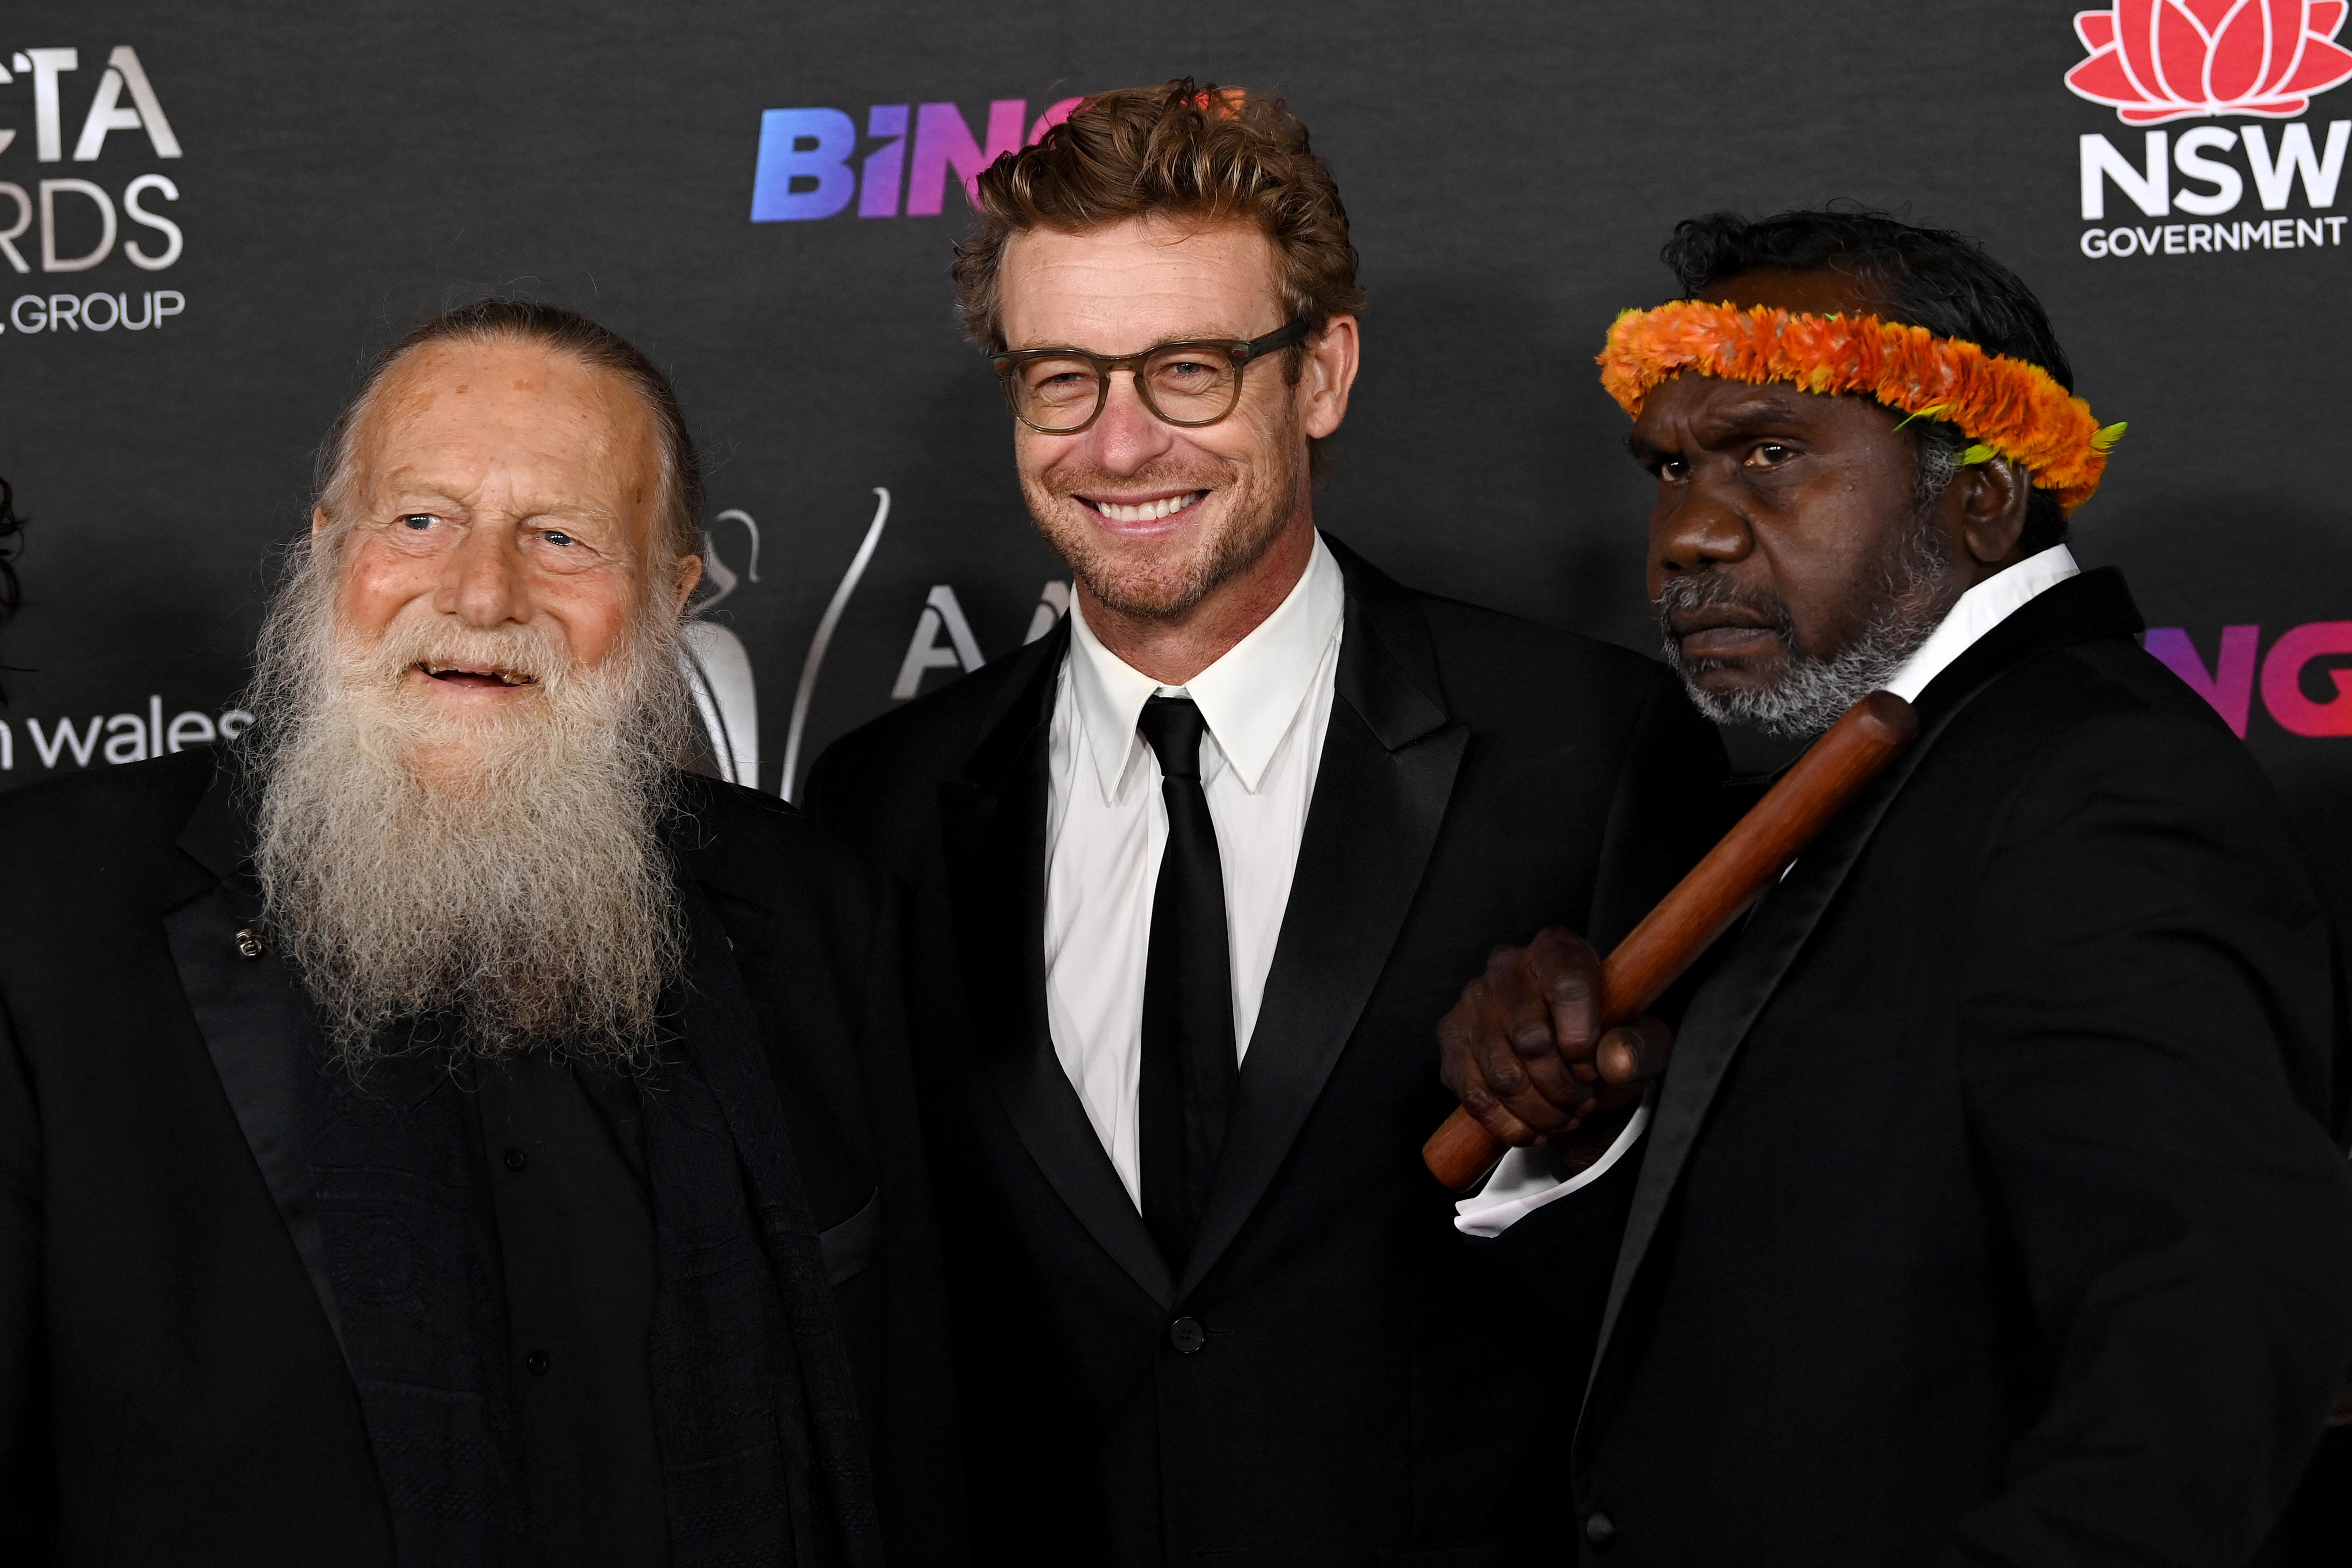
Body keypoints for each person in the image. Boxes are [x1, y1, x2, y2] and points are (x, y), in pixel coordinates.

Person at [804, 82, 1724, 1566]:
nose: (1117, 448)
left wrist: (1566, 1138)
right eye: (1062, 378)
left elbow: (1715, 1283)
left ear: (1321, 374)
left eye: (1185, 371)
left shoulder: (1589, 748)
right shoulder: (880, 802)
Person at [1436, 209, 2352, 1567]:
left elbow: (2212, 1328)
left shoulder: (2090, 785)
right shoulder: (1897, 776)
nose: (1686, 534)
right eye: (1671, 467)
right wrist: (1584, 1134)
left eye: (1770, 455)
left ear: (1976, 497)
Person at [0, 301, 961, 1568]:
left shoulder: (813, 912)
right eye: (418, 520)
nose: (479, 592)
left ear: (671, 598)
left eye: (562, 537)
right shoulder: (45, 915)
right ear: (325, 551)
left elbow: (912, 1427)